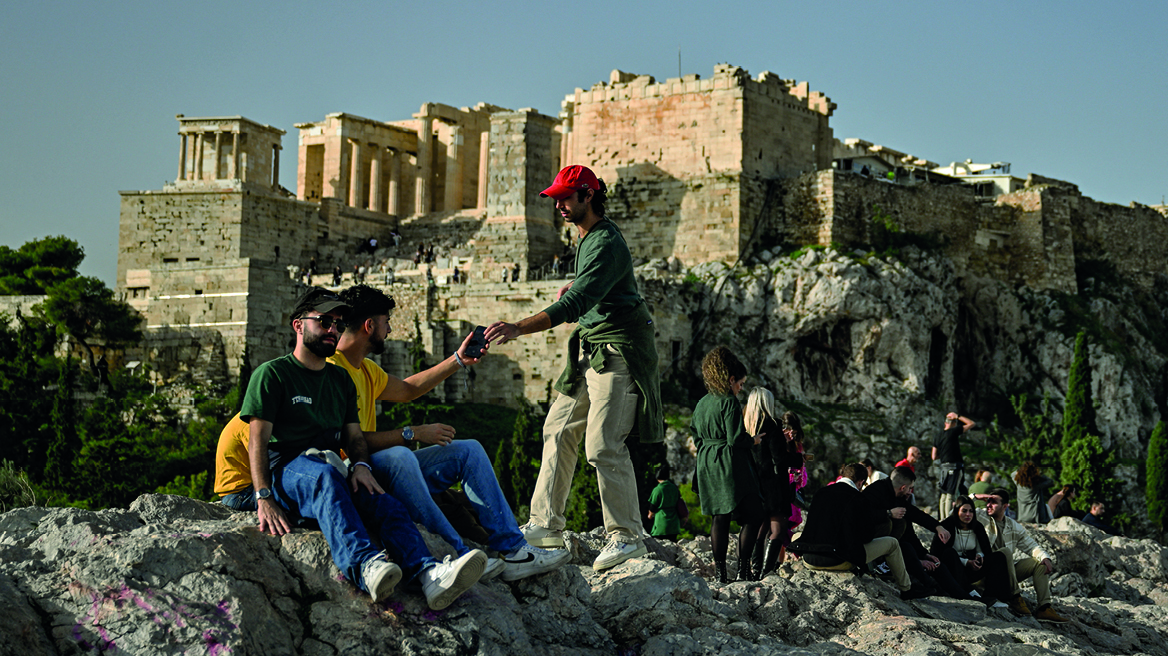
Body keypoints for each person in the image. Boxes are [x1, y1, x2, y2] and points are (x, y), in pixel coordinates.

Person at [241, 287, 485, 610]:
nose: (333, 330)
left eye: (338, 325)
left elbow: (354, 438)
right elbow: (257, 441)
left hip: (328, 466)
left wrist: (361, 466)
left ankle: (430, 574)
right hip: (288, 470)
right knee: (324, 477)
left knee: (384, 502)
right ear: (298, 325)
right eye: (324, 322)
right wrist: (263, 497)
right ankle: (365, 565)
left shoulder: (340, 380)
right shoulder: (272, 375)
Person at [484, 165, 662, 572]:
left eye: (565, 197)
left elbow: (573, 305)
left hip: (619, 351)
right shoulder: (586, 239)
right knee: (557, 429)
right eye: (556, 199)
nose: (559, 205)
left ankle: (627, 536)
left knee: (602, 445)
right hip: (590, 350)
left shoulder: (603, 241)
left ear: (587, 196)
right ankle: (545, 525)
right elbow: (593, 290)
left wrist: (518, 327)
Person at [329, 284, 570, 582]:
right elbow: (345, 440)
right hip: (356, 475)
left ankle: (515, 550)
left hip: (385, 469)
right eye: (386, 322)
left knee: (468, 451)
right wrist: (413, 433)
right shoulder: (332, 371)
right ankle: (457, 554)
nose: (390, 329)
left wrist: (457, 360)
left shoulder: (364, 369)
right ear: (369, 325)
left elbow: (408, 389)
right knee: (400, 455)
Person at [790, 463, 929, 600]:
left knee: (797, 535)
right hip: (837, 560)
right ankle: (907, 589)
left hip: (809, 559)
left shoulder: (820, 493)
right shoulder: (859, 499)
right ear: (861, 482)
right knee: (892, 544)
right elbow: (866, 536)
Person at [693, 347, 764, 583]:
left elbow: (695, 436)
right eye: (741, 384)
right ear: (731, 379)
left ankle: (721, 574)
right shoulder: (729, 402)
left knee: (719, 518)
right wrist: (752, 440)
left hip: (706, 462)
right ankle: (744, 571)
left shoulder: (702, 403)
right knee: (754, 514)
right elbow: (735, 438)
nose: (741, 388)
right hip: (729, 463)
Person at [863, 466, 964, 598]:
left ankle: (941, 589)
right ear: (903, 487)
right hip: (869, 545)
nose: (911, 492)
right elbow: (862, 516)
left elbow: (914, 517)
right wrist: (887, 513)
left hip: (893, 545)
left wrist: (935, 531)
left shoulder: (897, 498)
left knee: (907, 541)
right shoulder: (875, 491)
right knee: (893, 524)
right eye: (910, 488)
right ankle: (882, 564)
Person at [979, 488, 1070, 622]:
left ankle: (1044, 608)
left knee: (1039, 563)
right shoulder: (980, 516)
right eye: (988, 501)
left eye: (993, 502)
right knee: (1005, 552)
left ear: (1005, 506)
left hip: (1005, 577)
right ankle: (1015, 596)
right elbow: (957, 511)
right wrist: (974, 496)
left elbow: (1031, 545)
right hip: (984, 574)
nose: (988, 505)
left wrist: (1045, 557)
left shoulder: (1013, 525)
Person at [746, 388, 804, 577]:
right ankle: (764, 571)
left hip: (753, 483)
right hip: (773, 486)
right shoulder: (771, 424)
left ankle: (752, 568)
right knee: (778, 530)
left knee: (759, 528)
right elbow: (779, 459)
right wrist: (797, 458)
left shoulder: (746, 426)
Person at [931, 496, 1012, 609]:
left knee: (998, 557)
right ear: (957, 511)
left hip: (970, 569)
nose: (968, 514)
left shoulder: (977, 526)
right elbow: (939, 554)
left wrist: (979, 557)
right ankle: (968, 593)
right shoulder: (947, 525)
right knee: (950, 553)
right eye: (964, 511)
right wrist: (966, 562)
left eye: (971, 511)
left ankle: (993, 597)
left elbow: (982, 549)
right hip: (952, 570)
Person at [934, 412, 974, 518]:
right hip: (954, 466)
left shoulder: (938, 436)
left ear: (944, 423)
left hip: (943, 468)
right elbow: (971, 424)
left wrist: (944, 454)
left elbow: (934, 456)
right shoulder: (953, 431)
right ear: (954, 423)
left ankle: (942, 519)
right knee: (950, 494)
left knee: (943, 494)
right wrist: (958, 416)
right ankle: (948, 519)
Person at [647, 465, 681, 542]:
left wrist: (650, 515)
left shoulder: (658, 489)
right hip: (674, 525)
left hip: (661, 525)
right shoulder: (674, 488)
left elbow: (653, 506)